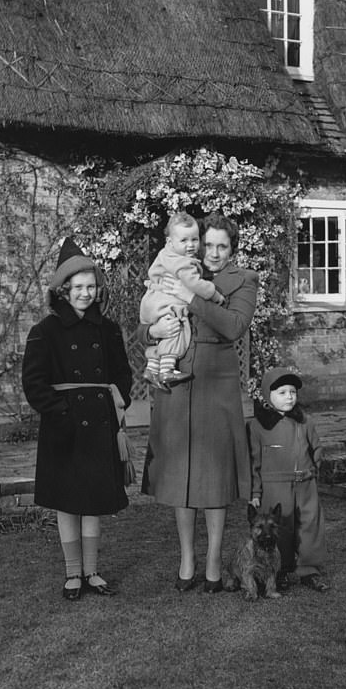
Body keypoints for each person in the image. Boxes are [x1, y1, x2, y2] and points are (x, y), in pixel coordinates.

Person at [139, 212, 258, 593]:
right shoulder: (178, 266)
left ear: (232, 249)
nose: (214, 252)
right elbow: (150, 313)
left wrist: (190, 296)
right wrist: (152, 330)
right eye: (209, 245)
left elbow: (234, 326)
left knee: (214, 476)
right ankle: (187, 560)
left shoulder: (244, 280)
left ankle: (212, 562)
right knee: (180, 474)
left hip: (216, 386)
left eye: (223, 246)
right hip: (176, 383)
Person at [22, 238, 132, 601]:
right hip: (64, 427)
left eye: (91, 286)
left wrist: (117, 402)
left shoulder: (108, 329)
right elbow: (34, 383)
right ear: (63, 290)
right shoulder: (45, 331)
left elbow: (122, 374)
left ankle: (92, 571)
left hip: (100, 424)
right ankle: (73, 574)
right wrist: (62, 412)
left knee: (94, 499)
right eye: (78, 287)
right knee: (68, 500)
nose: (86, 293)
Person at [247, 367, 330, 593]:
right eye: (282, 392)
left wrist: (317, 462)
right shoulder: (257, 426)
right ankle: (279, 570)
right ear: (267, 395)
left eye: (292, 392)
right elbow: (253, 463)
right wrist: (255, 493)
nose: (289, 397)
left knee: (310, 526)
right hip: (274, 486)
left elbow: (316, 447)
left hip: (305, 484)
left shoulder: (305, 421)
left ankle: (309, 570)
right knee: (280, 528)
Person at [139, 212, 225, 389]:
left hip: (151, 300)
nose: (190, 245)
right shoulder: (183, 263)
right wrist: (214, 294)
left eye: (194, 240)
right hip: (167, 302)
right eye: (184, 241)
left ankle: (152, 368)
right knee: (176, 330)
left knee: (163, 333)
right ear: (170, 242)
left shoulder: (165, 254)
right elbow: (194, 284)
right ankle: (167, 369)